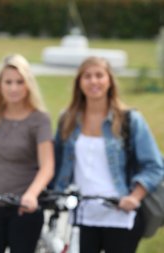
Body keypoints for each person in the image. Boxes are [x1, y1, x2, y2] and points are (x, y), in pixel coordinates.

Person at [52, 56, 164, 253]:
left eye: (99, 75)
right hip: (83, 215)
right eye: (87, 76)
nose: (93, 81)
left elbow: (154, 166)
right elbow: (54, 162)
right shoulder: (68, 120)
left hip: (121, 214)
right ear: (79, 82)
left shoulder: (130, 120)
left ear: (110, 80)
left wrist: (135, 197)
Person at [0, 54, 54, 253]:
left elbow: (47, 165)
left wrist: (31, 195)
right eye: (8, 82)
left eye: (19, 82)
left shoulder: (39, 119)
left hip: (23, 207)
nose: (13, 88)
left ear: (28, 84)